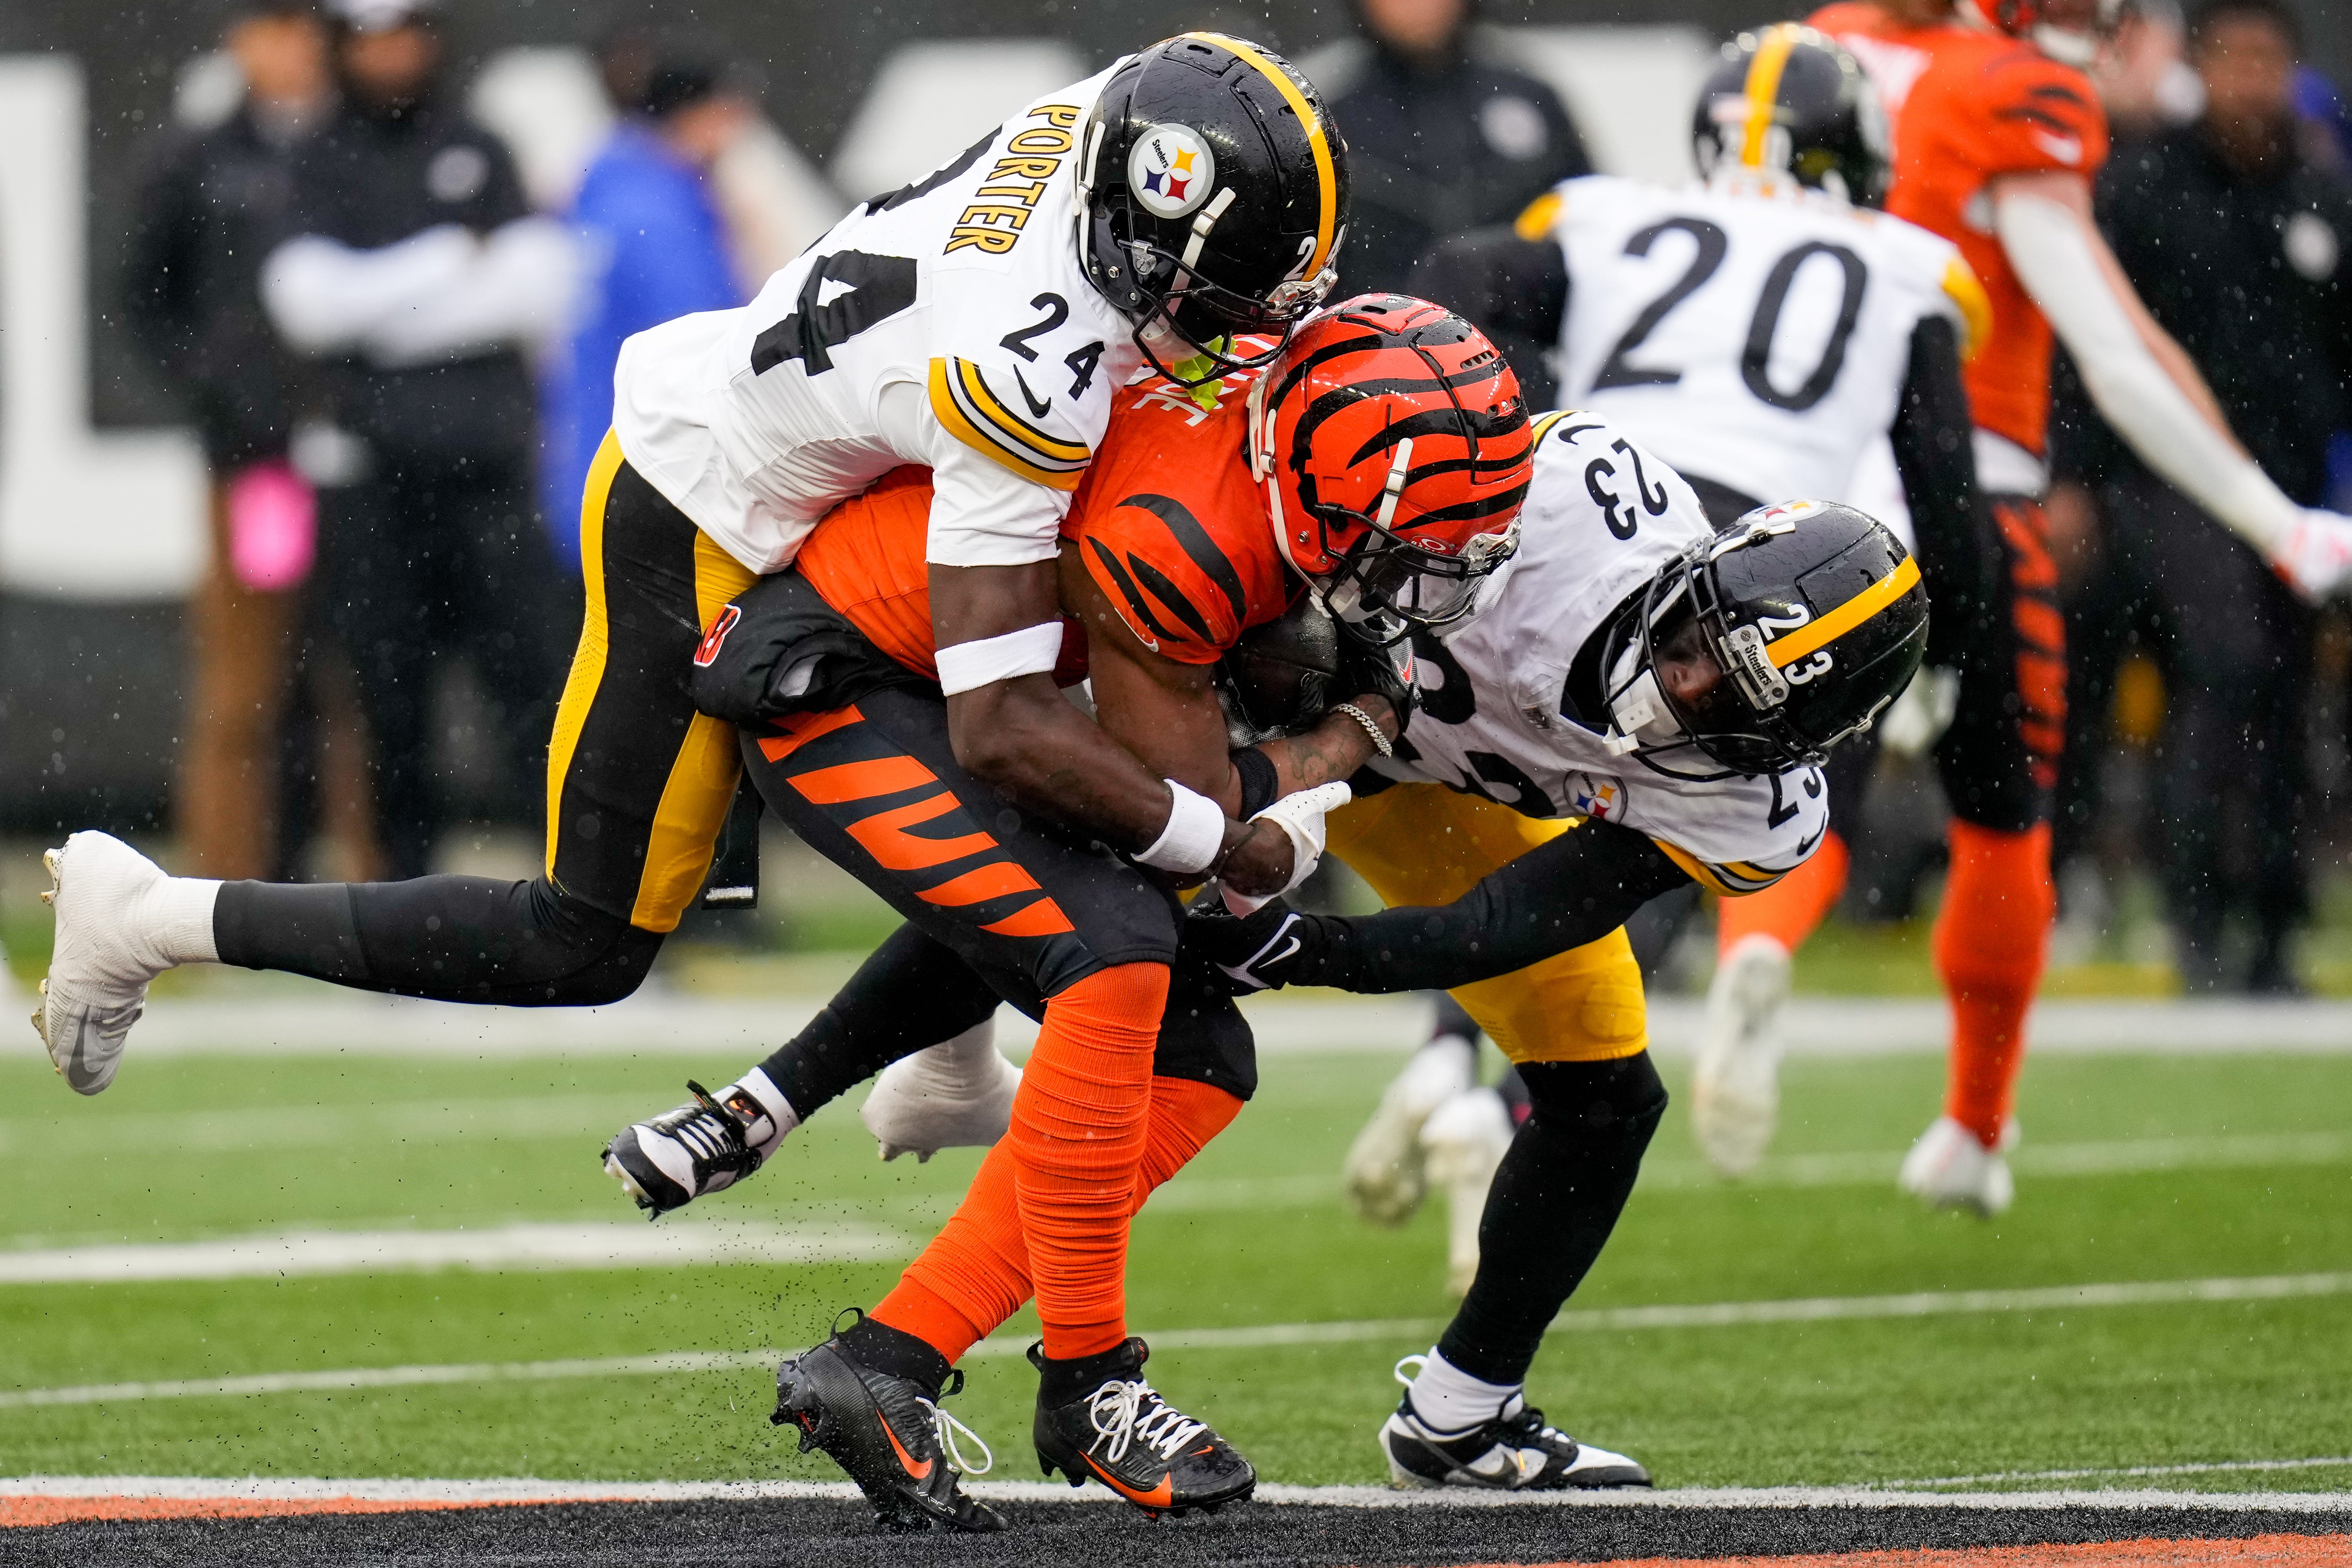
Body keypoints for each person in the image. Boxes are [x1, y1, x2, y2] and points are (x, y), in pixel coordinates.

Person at [33, 28, 1349, 1532]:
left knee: (1058, 879)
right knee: (586, 939)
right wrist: (1216, 839)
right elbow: (998, 726)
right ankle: (155, 917)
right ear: (1133, 232)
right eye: (1215, 298)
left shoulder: (1127, 107)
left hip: (844, 482)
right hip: (711, 519)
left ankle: (951, 1078)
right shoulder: (1028, 364)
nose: (1234, 332)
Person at [623, 404, 1927, 1501]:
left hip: (1433, 794)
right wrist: (1262, 720)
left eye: (1727, 706)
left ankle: (1461, 1415)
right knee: (1101, 927)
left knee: (1601, 1091)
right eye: (1693, 650)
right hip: (1269, 714)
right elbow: (1334, 514)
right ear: (1695, 572)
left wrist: (1304, 947)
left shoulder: (1754, 806)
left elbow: (1509, 921)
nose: (1680, 691)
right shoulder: (1565, 503)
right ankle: (785, 1110)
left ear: (1797, 746)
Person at [606, 296, 1529, 1527]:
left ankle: (885, 1354)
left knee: (1197, 1055)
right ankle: (1088, 1381)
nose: (1417, 574)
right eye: (1402, 539)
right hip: (851, 686)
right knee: (1116, 949)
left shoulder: (1257, 435)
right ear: (1310, 480)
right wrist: (1342, 738)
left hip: (968, 690)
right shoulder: (1188, 530)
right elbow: (1202, 815)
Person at [1686, 0, 2352, 1216]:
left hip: (1797, 494)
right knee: (2003, 815)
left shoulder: (1821, 47)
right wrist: (2273, 519)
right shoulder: (2010, 93)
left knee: (1790, 783)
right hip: (1968, 485)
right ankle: (1971, 1127)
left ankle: (1753, 948)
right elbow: (2117, 352)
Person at [1403, 25, 1987, 1191]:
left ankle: (1449, 1050)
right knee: (1656, 824)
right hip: (1756, 569)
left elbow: (1453, 281)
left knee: (1483, 761)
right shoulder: (1903, 267)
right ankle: (1516, 1094)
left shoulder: (1611, 216)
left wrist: (1488, 422)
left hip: (1587, 512)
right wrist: (1947, 655)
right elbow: (1947, 498)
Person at [2056, 0, 2352, 991]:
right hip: (2166, 481)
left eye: (2267, 62)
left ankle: (2272, 924)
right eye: (2233, 59)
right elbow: (2086, 345)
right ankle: (2194, 914)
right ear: (2199, 67)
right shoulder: (2140, 185)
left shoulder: (2319, 192)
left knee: (2284, 690)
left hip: (2292, 488)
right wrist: (2071, 477)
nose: (2249, 82)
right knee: (2224, 667)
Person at [255, 0, 578, 879]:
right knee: (388, 705)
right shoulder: (314, 157)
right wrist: (449, 261)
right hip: (371, 481)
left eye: (405, 35)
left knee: (535, 692)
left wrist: (377, 308)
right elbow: (307, 308)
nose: (391, 57)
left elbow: (541, 286)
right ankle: (407, 910)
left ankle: (574, 899)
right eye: (371, 40)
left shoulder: (480, 144)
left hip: (490, 476)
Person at [123, 1, 331, 881]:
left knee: (362, 683)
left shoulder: (357, 146)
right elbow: (144, 295)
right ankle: (220, 889)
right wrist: (228, 389)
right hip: (264, 471)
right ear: (239, 41)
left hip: (365, 466)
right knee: (248, 682)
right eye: (272, 27)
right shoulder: (200, 158)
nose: (291, 49)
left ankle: (376, 898)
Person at [540, 53, 755, 567]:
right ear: (696, 115)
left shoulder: (615, 190)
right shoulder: (661, 218)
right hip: (654, 488)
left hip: (598, 473)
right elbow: (706, 354)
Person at [1317, 0, 1591, 295]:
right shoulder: (1331, 119)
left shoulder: (1529, 98)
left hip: (1523, 316)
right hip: (1385, 320)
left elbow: (1596, 219)